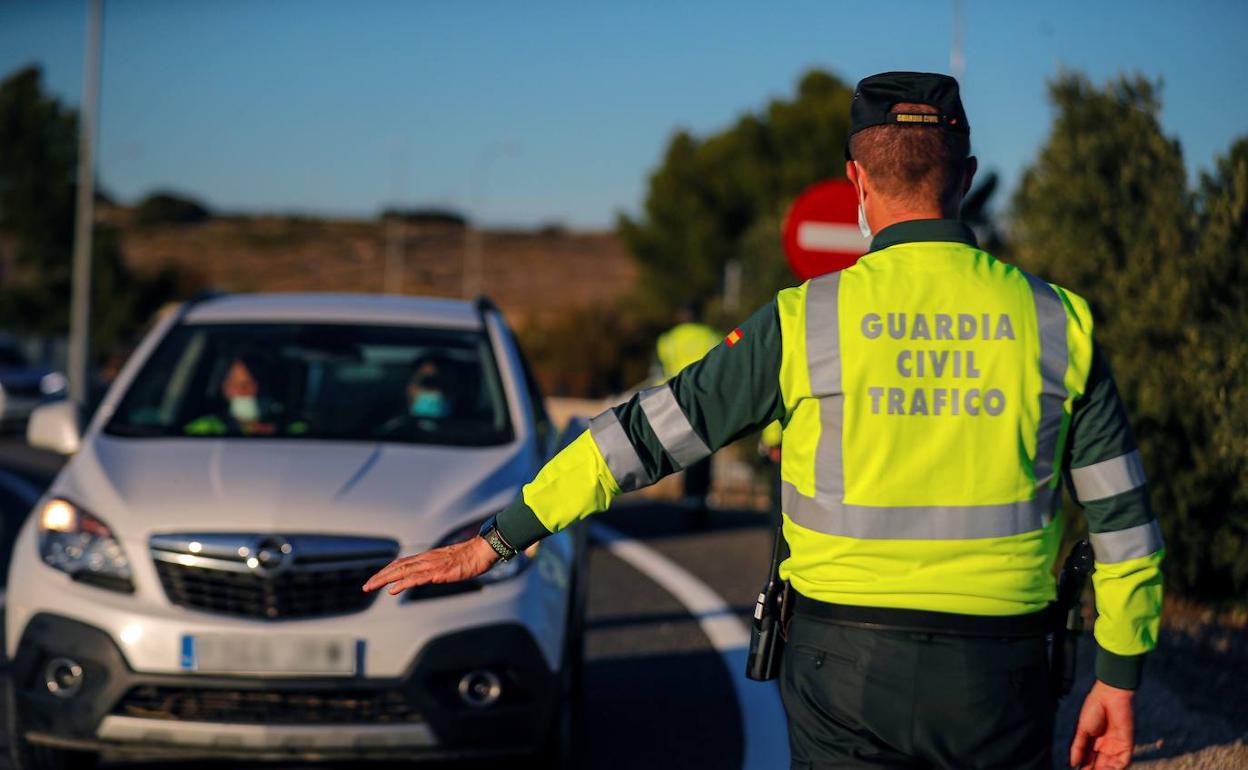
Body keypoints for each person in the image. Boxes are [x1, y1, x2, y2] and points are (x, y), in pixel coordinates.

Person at [364, 72, 1162, 770]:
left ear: (856, 180)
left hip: (844, 666)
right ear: (969, 177)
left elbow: (642, 438)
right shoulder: (1060, 324)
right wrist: (1118, 678)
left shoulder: (805, 322)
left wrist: (496, 538)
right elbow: (1122, 524)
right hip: (1002, 671)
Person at [655, 305, 722, 524]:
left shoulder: (668, 340)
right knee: (705, 455)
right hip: (706, 403)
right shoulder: (711, 336)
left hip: (677, 402)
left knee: (686, 453)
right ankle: (700, 502)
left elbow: (661, 373)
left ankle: (689, 504)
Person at [185, 353, 286, 436]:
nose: (245, 391)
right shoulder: (203, 429)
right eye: (236, 384)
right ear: (225, 389)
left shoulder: (293, 429)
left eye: (251, 383)